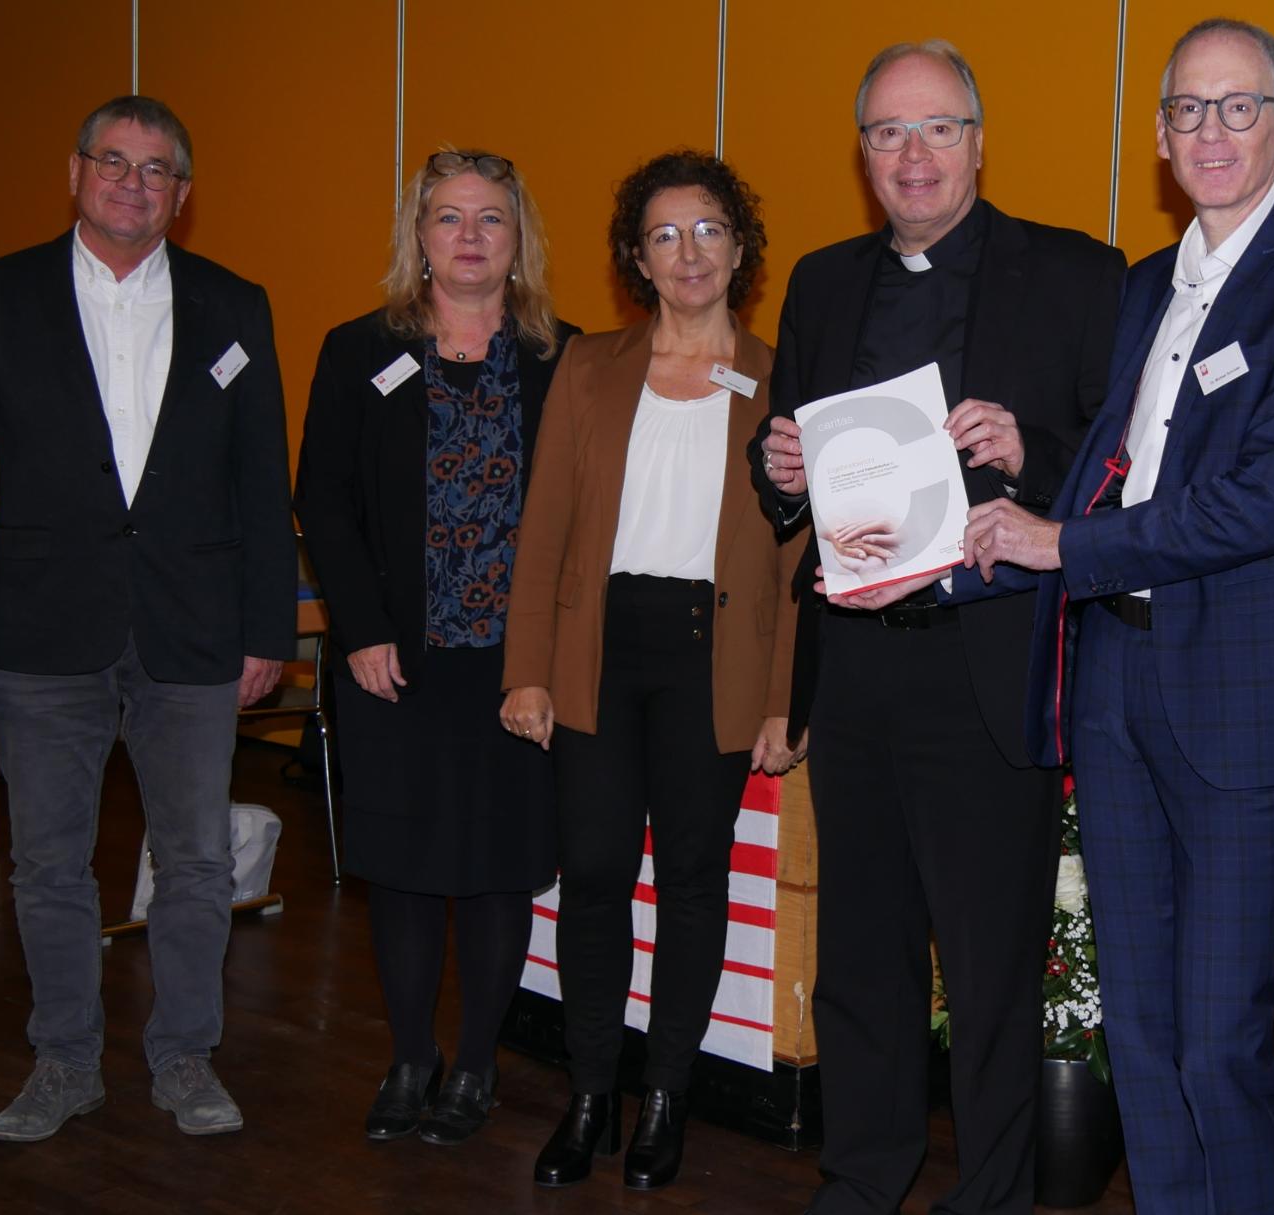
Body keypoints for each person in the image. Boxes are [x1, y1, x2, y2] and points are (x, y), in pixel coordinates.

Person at [959, 20, 1274, 1213]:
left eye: (1240, 108)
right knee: (1135, 1030)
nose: (1212, 132)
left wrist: (1061, 544)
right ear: (1157, 137)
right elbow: (1135, 463)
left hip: (1246, 697)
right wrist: (1030, 467)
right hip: (1119, 682)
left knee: (1216, 1038)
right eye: (1188, 110)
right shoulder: (1148, 282)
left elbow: (1272, 500)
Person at [748, 41, 1125, 1215]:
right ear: (862, 153)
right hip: (856, 667)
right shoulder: (820, 281)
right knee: (859, 958)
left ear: (977, 139)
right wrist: (778, 468)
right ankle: (863, 1179)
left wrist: (1033, 458)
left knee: (991, 972)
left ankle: (995, 1196)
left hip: (986, 673)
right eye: (886, 134)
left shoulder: (1078, 275)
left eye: (936, 130)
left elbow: (1125, 477)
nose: (912, 157)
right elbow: (787, 485)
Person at [0, 95, 295, 1141]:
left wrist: (271, 627)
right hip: (41, 632)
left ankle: (184, 1057)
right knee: (47, 865)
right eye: (113, 161)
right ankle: (64, 1061)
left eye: (156, 168)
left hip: (194, 631)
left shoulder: (233, 305)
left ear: (183, 194)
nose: (133, 182)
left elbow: (265, 483)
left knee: (199, 863)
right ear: (76, 172)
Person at [500, 150, 804, 1193]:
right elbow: (542, 533)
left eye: (710, 229)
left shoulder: (780, 381)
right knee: (590, 874)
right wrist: (526, 670)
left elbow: (801, 564)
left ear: (740, 248)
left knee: (692, 879)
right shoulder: (590, 367)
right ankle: (591, 1094)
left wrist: (782, 702)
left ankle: (664, 1097)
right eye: (666, 234)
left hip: (715, 659)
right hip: (597, 649)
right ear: (638, 255)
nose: (690, 253)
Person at [292, 149, 578, 1147]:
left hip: (515, 665)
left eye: (489, 218)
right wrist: (360, 629)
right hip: (393, 660)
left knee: (499, 866)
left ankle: (476, 1064)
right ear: (418, 236)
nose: (468, 235)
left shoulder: (562, 357)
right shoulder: (358, 348)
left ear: (518, 238)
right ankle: (411, 1055)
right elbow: (321, 497)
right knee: (405, 865)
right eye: (447, 217)